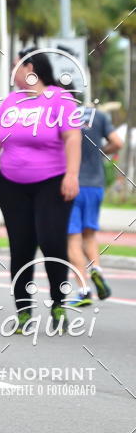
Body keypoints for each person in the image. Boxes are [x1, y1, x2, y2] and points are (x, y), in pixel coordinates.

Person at [0, 50, 81, 332]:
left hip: (52, 182)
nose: (12, 73)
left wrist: (72, 174)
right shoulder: (11, 102)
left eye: (15, 67)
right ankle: (23, 312)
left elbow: (72, 136)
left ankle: (59, 305)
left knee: (51, 242)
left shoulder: (60, 99)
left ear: (31, 67)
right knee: (21, 247)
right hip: (12, 185)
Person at [67, 105, 123, 305]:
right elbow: (117, 142)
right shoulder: (99, 116)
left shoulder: (60, 115)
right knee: (89, 234)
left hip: (71, 184)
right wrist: (100, 152)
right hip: (95, 185)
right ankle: (96, 270)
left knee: (72, 238)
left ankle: (83, 291)